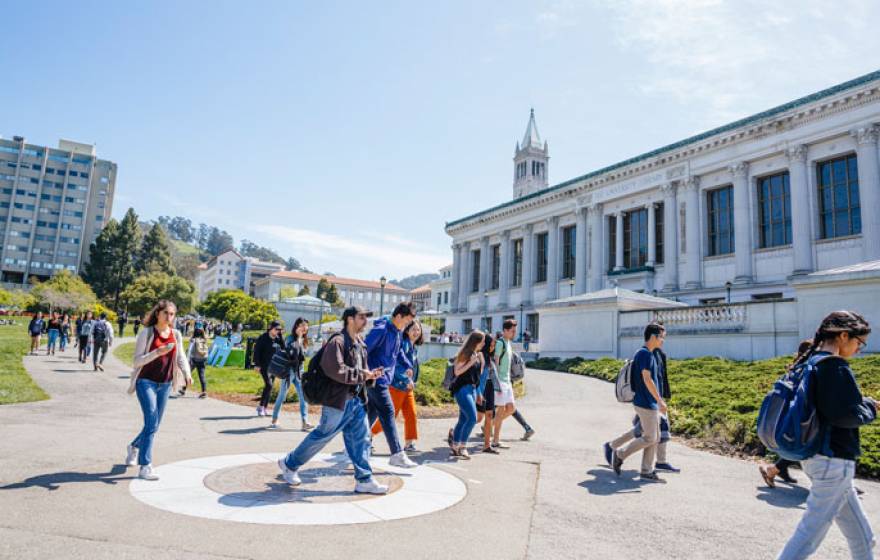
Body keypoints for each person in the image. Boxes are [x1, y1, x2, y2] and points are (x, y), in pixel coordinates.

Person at [777, 311, 876, 559]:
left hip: (816, 457)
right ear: (843, 336)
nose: (859, 349)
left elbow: (825, 406)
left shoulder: (811, 362)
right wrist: (870, 409)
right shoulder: (834, 366)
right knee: (807, 537)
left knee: (863, 538)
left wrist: (859, 403)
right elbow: (844, 415)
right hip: (833, 460)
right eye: (859, 342)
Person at [277, 305, 388, 494]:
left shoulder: (360, 342)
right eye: (361, 317)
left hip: (357, 401)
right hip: (338, 401)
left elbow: (361, 370)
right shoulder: (337, 341)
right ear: (350, 319)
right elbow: (335, 369)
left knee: (361, 439)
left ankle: (364, 479)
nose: (365, 321)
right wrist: (362, 374)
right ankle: (289, 463)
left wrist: (370, 375)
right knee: (322, 436)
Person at [125, 300, 192, 481]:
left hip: (166, 384)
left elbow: (180, 357)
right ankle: (145, 465)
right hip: (145, 382)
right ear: (157, 314)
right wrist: (158, 352)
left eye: (172, 314)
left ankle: (133, 446)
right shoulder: (146, 333)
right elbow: (137, 362)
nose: (169, 317)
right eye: (166, 313)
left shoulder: (176, 334)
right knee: (152, 422)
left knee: (153, 425)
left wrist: (187, 373)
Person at [603, 328, 679, 473]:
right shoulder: (644, 354)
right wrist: (660, 401)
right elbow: (647, 379)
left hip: (649, 402)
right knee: (650, 438)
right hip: (645, 403)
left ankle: (647, 470)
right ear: (653, 337)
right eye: (661, 337)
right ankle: (620, 454)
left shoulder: (648, 354)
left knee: (654, 438)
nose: (663, 340)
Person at [365, 302, 418, 468]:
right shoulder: (381, 330)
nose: (408, 325)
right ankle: (396, 453)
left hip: (384, 378)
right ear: (398, 316)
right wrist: (367, 371)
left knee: (370, 415)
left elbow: (398, 352)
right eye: (407, 321)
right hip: (376, 379)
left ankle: (353, 446)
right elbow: (363, 350)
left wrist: (408, 365)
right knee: (388, 412)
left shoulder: (397, 332)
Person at [759, 339, 814, 488]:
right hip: (797, 415)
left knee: (798, 444)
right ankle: (774, 469)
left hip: (792, 416)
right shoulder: (806, 369)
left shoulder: (798, 367)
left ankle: (777, 469)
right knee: (801, 445)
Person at [371, 320, 424, 452]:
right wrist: (407, 379)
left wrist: (412, 381)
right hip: (397, 386)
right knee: (389, 417)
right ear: (407, 331)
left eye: (418, 330)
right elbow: (399, 366)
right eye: (413, 330)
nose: (416, 332)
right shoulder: (404, 345)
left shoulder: (412, 347)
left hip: (407, 387)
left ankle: (409, 443)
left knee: (411, 414)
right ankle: (367, 436)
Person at [269, 318, 314, 431]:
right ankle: (274, 419)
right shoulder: (290, 338)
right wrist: (298, 337)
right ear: (297, 326)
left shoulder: (304, 339)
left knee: (304, 397)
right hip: (289, 372)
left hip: (299, 371)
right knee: (282, 395)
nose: (305, 328)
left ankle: (305, 422)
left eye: (306, 326)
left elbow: (303, 355)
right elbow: (291, 352)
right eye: (302, 325)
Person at [449, 330, 485, 459]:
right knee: (472, 418)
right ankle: (463, 446)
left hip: (473, 389)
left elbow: (476, 375)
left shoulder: (476, 354)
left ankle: (455, 445)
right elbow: (457, 372)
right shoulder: (465, 353)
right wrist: (471, 361)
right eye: (483, 341)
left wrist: (482, 362)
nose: (484, 343)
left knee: (463, 419)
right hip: (462, 389)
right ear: (476, 341)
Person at [491, 319, 519, 449]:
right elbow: (496, 363)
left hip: (507, 381)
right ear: (506, 330)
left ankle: (490, 424)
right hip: (501, 381)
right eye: (512, 331)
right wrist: (497, 382)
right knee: (501, 410)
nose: (514, 333)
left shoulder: (508, 342)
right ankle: (495, 440)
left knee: (511, 408)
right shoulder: (500, 343)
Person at [252, 321, 284, 417]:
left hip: (274, 366)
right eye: (276, 329)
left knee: (270, 387)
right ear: (270, 328)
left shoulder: (278, 338)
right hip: (264, 365)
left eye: (279, 329)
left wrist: (281, 336)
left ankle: (264, 408)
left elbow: (284, 348)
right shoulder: (263, 338)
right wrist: (257, 364)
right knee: (269, 385)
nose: (277, 331)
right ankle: (261, 407)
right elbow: (256, 351)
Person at [476, 333, 500, 454]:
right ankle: (456, 432)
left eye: (494, 345)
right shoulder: (481, 356)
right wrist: (477, 392)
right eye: (491, 345)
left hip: (490, 388)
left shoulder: (490, 358)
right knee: (478, 417)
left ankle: (487, 445)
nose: (492, 347)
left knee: (490, 415)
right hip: (482, 388)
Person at [184, 327, 209, 398]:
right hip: (203, 359)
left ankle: (183, 388)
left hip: (194, 359)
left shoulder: (193, 340)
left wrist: (187, 359)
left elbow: (190, 350)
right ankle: (204, 391)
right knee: (202, 375)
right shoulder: (204, 340)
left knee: (188, 374)